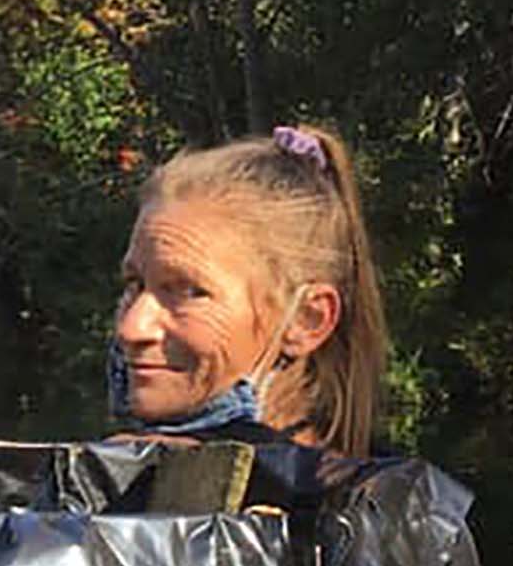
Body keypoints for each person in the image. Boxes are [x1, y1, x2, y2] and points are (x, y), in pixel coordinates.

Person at [109, 123, 387, 456]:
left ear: (306, 319)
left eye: (190, 292)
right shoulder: (102, 481)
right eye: (134, 285)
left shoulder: (382, 500)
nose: (131, 329)